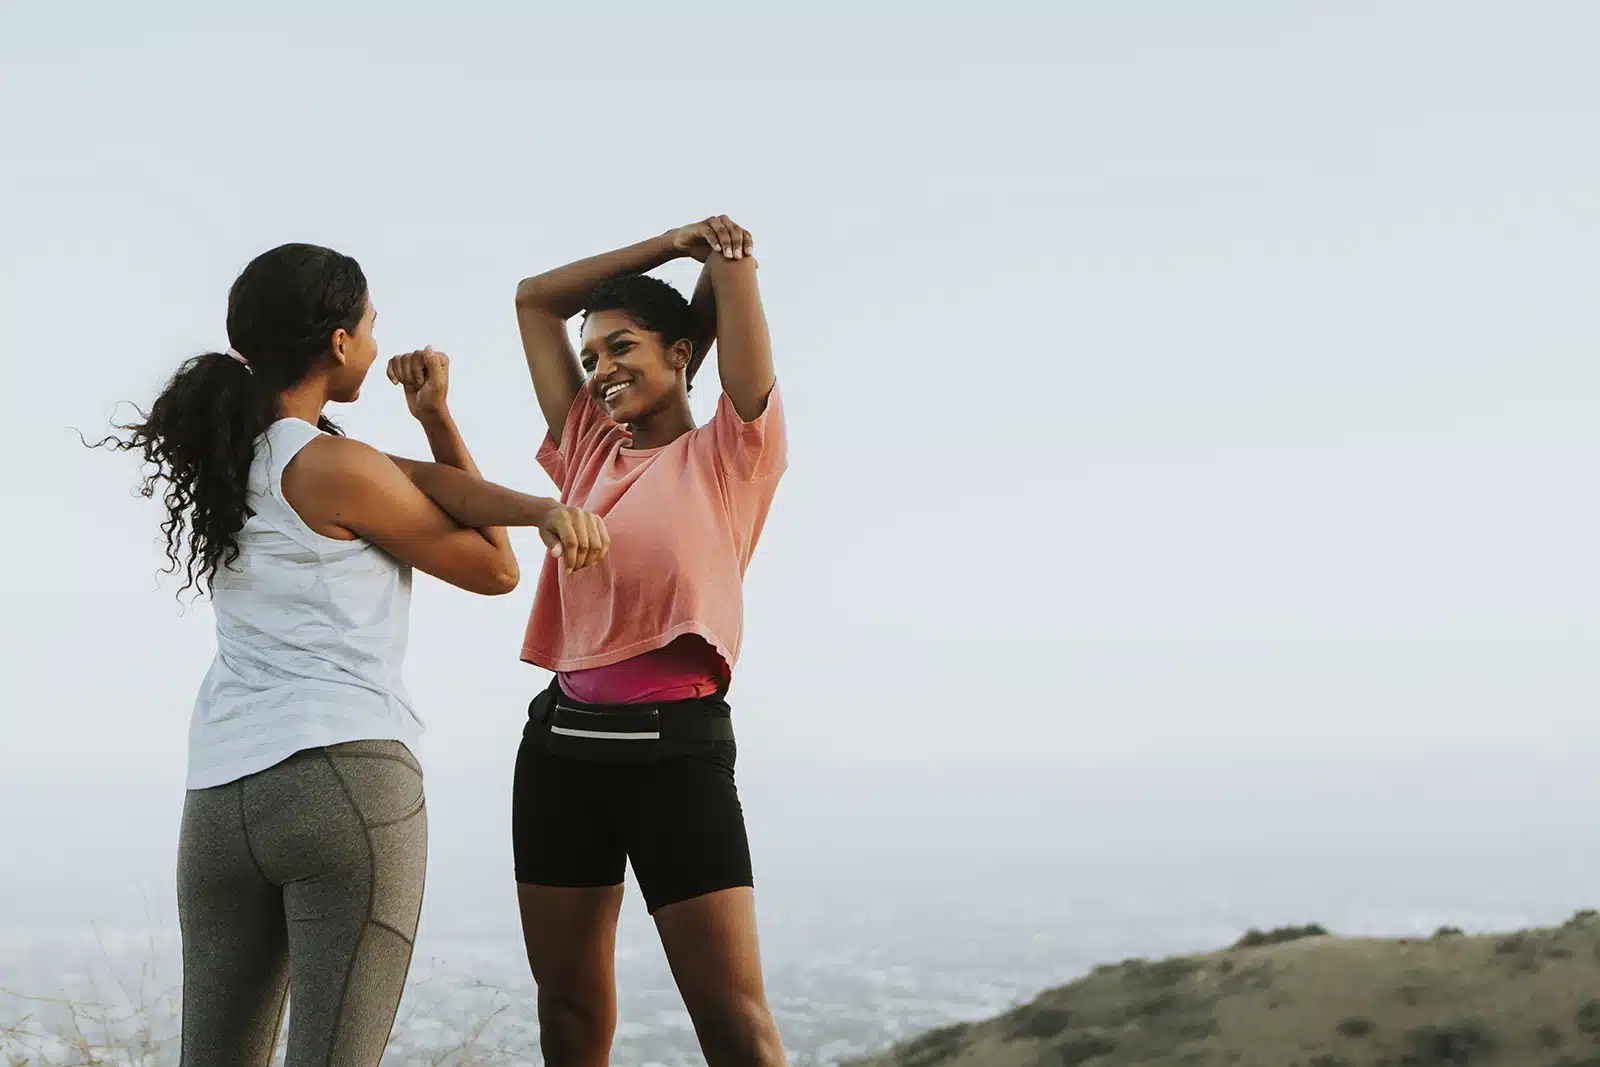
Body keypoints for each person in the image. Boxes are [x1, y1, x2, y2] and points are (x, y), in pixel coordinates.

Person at [99, 242, 609, 1067]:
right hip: (343, 779)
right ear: (338, 343)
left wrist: (484, 462)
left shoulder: (233, 460)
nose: (375, 342)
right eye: (370, 326)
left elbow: (436, 488)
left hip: (219, 805)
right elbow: (493, 566)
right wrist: (538, 509)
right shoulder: (335, 465)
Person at [512, 216, 787, 1067]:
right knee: (568, 1011)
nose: (598, 371)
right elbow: (533, 301)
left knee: (734, 1024)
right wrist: (667, 246)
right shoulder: (587, 450)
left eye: (620, 346)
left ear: (683, 353)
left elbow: (732, 279)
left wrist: (713, 260)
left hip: (675, 757)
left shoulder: (732, 452)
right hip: (561, 753)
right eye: (590, 357)